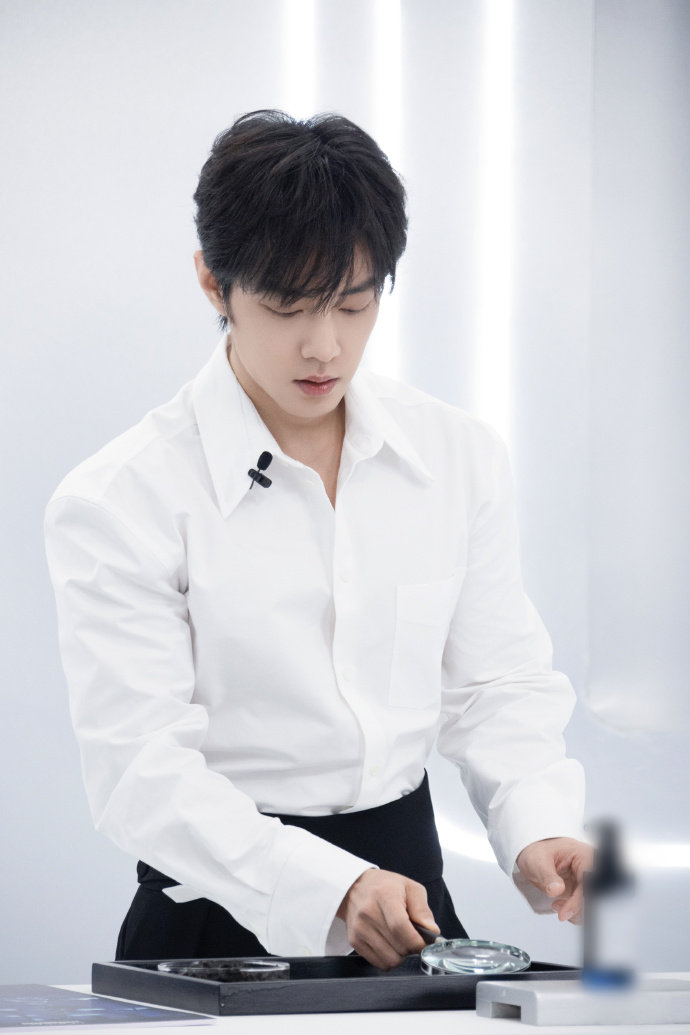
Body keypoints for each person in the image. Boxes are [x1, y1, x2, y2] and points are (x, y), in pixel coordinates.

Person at [45, 110, 591, 971]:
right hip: (215, 927)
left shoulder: (456, 455)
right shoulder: (120, 498)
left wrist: (539, 825)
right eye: (287, 305)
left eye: (353, 302)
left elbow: (495, 684)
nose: (324, 344)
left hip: (413, 911)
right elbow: (139, 773)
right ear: (212, 281)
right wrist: (332, 885)